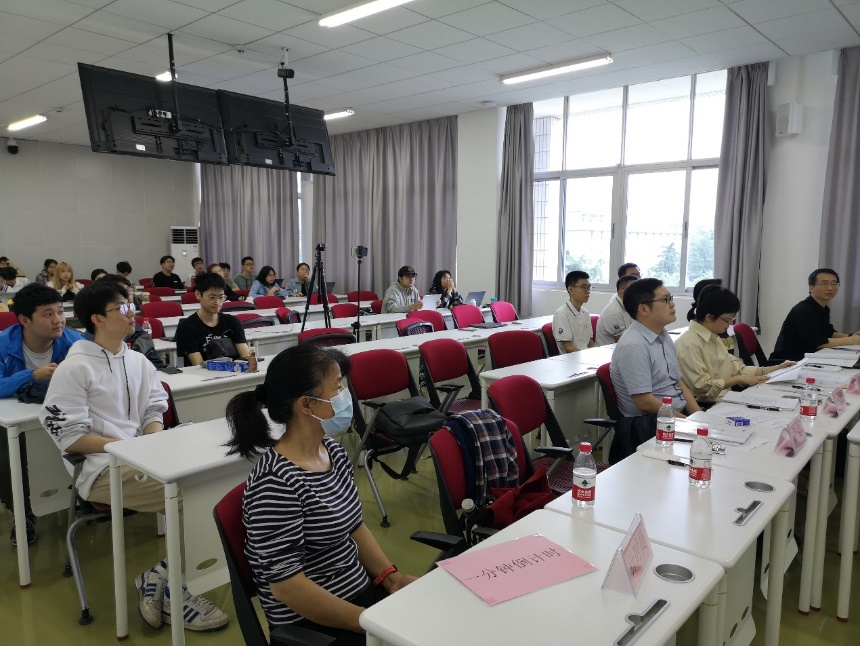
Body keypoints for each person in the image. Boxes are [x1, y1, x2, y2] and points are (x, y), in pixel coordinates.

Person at [39, 280, 229, 633]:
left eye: (131, 305)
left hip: (142, 457)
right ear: (97, 319)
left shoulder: (138, 360)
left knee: (213, 485)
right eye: (122, 308)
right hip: (100, 469)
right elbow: (70, 437)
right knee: (191, 500)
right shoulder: (74, 368)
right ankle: (175, 590)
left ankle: (160, 577)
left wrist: (152, 442)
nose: (133, 313)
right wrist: (130, 448)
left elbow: (155, 408)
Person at [225, 345, 416, 642]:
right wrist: (368, 623)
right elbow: (288, 588)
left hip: (360, 598)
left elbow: (355, 527)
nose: (345, 395)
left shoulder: (333, 452)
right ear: (306, 405)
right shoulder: (275, 484)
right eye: (337, 387)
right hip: (316, 625)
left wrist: (391, 578)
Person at [0, 283, 83, 546]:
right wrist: (32, 375)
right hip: (15, 422)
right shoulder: (3, 344)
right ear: (25, 320)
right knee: (7, 445)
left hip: (62, 416)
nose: (58, 320)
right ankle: (22, 512)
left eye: (59, 311)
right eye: (48, 314)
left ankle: (83, 495)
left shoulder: (74, 342)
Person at [677, 287, 794, 405]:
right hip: (707, 406)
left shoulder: (714, 337)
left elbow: (739, 370)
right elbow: (702, 388)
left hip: (725, 400)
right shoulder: (689, 345)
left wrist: (778, 368)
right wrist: (737, 379)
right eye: (727, 320)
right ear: (709, 317)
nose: (730, 324)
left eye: (732, 319)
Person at [610, 278, 701, 419]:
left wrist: (699, 417)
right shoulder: (634, 346)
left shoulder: (663, 336)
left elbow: (678, 383)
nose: (672, 304)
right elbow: (645, 403)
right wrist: (687, 423)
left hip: (675, 416)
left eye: (670, 298)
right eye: (665, 300)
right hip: (652, 423)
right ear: (644, 309)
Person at [770, 268, 860, 361]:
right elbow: (817, 343)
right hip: (788, 362)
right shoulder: (803, 310)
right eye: (825, 283)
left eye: (834, 284)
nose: (830, 288)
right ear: (811, 287)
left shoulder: (822, 308)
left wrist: (851, 336)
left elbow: (829, 332)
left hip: (809, 358)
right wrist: (850, 340)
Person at [84, 274, 168, 371]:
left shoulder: (135, 330)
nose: (131, 313)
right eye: (122, 308)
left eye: (129, 290)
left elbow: (155, 364)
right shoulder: (95, 339)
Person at [174, 273, 250, 366]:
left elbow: (246, 357)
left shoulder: (232, 322)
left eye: (221, 297)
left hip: (234, 371)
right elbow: (199, 365)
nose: (217, 302)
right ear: (198, 294)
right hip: (202, 374)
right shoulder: (187, 327)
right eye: (212, 297)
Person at [553, 271, 595, 354]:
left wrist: (598, 354)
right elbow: (568, 347)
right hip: (571, 359)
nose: (588, 291)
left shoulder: (585, 313)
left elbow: (590, 342)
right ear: (571, 290)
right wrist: (587, 357)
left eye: (589, 287)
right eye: (583, 287)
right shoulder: (561, 314)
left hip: (586, 356)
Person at [595, 274, 637, 346]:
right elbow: (625, 341)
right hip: (609, 351)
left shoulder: (629, 306)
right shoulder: (614, 312)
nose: (639, 293)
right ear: (622, 292)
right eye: (634, 290)